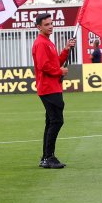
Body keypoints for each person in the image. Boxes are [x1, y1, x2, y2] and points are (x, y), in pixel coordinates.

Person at [32, 12, 76, 169]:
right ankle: (48, 157)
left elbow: (55, 62)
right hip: (48, 88)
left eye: (51, 23)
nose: (50, 26)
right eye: (46, 24)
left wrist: (65, 50)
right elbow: (44, 66)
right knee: (56, 121)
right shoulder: (41, 43)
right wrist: (60, 72)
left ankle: (46, 157)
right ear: (39, 27)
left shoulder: (47, 42)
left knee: (51, 121)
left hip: (52, 87)